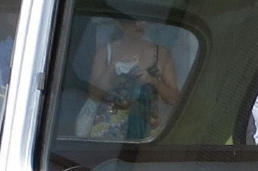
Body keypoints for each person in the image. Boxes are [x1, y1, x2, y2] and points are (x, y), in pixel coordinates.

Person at [76, 12, 180, 141]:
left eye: (142, 20)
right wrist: (113, 68)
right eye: (132, 21)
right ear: (119, 24)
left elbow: (173, 99)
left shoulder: (161, 54)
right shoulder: (106, 52)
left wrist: (152, 81)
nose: (138, 25)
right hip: (108, 128)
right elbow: (94, 95)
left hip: (146, 129)